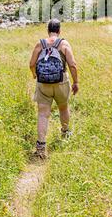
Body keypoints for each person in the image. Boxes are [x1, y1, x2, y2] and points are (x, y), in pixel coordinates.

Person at [29, 19, 79, 159]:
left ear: (48, 31)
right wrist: (76, 82)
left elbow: (32, 63)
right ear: (59, 30)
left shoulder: (40, 44)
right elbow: (72, 65)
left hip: (43, 83)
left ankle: (40, 147)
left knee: (43, 114)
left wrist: (35, 75)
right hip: (61, 82)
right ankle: (65, 133)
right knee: (63, 108)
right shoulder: (64, 44)